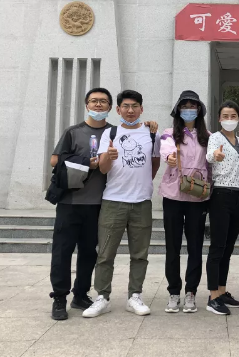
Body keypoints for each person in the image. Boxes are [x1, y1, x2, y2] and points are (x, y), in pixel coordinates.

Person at [82, 90, 160, 318]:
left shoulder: (151, 134)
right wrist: (109, 156)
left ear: (141, 109)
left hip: (142, 202)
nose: (130, 110)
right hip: (113, 202)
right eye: (125, 106)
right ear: (118, 110)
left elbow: (154, 164)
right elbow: (103, 168)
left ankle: (134, 296)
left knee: (140, 254)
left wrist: (142, 184)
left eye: (135, 106)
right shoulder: (110, 133)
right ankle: (102, 297)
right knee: (105, 254)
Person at [48, 87, 113, 321]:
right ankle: (59, 298)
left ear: (110, 107)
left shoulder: (113, 132)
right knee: (62, 251)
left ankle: (81, 294)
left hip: (98, 204)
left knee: (89, 252)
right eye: (94, 101)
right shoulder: (73, 132)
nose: (98, 105)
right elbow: (55, 160)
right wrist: (88, 163)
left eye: (103, 101)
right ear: (87, 105)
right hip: (70, 202)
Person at [159, 90, 211, 314]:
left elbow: (212, 162)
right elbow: (167, 150)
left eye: (193, 106)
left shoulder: (208, 136)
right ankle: (173, 291)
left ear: (199, 110)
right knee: (172, 246)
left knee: (195, 246)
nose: (189, 109)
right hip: (173, 195)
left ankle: (191, 291)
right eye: (184, 106)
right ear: (178, 109)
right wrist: (170, 157)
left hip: (197, 196)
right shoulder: (169, 133)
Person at [205, 100, 239, 315]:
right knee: (218, 247)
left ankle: (221, 291)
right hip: (221, 195)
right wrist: (215, 156)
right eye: (225, 116)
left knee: (229, 247)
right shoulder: (215, 138)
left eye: (233, 116)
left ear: (238, 118)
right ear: (219, 119)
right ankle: (213, 296)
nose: (229, 120)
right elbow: (210, 156)